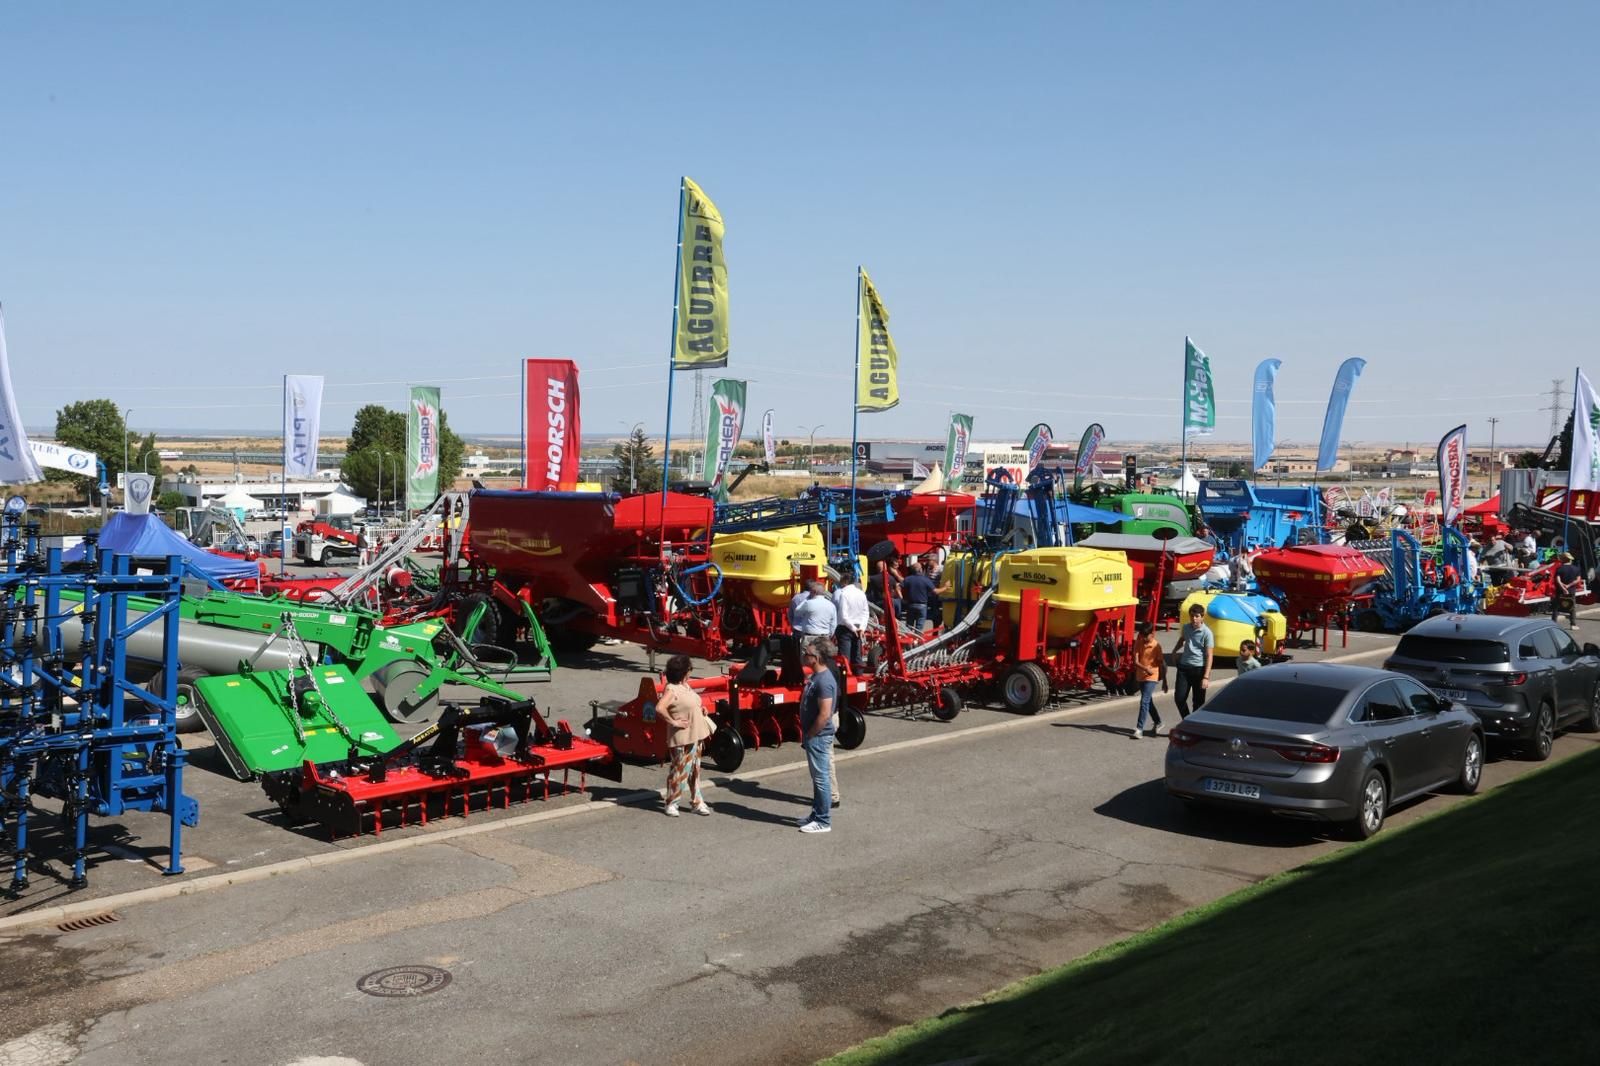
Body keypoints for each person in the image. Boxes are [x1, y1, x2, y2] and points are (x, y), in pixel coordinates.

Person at [656, 654, 715, 817]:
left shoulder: (686, 686)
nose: (690, 672)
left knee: (695, 770)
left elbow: (690, 703)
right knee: (679, 771)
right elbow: (660, 708)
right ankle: (672, 803)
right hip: (682, 737)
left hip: (695, 735)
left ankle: (697, 802)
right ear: (683, 672)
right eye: (689, 669)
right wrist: (674, 722)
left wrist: (700, 709)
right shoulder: (672, 689)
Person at [796, 637, 838, 834]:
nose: (805, 655)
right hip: (813, 736)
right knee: (817, 778)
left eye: (808, 653)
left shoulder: (825, 681)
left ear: (818, 657)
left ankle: (823, 820)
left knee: (821, 778)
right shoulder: (815, 677)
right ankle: (816, 814)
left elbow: (824, 714)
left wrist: (811, 734)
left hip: (819, 737)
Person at [1171, 603, 1214, 718]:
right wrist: (1174, 650)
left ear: (1202, 617)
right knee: (1179, 699)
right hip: (1184, 668)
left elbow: (1209, 655)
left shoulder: (1207, 633)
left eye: (1197, 616)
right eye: (1192, 616)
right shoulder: (1186, 627)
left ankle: (1194, 726)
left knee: (1198, 703)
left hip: (1199, 669)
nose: (1194, 619)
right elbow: (1183, 638)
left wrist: (1206, 677)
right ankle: (1187, 720)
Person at [1131, 621, 1167, 739]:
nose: (1144, 638)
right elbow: (1135, 661)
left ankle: (1139, 729)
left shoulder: (1157, 646)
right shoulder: (1138, 643)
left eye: (1146, 636)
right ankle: (1158, 721)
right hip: (1141, 675)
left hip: (1152, 676)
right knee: (1148, 702)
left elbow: (1162, 664)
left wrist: (1165, 681)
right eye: (1142, 636)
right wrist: (1145, 668)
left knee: (1144, 701)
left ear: (1152, 634)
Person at [832, 568, 870, 673]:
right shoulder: (861, 593)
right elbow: (866, 612)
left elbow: (843, 615)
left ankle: (845, 680)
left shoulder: (844, 594)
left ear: (844, 582)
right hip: (858, 627)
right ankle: (859, 677)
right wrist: (861, 628)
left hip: (846, 628)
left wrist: (853, 629)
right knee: (857, 655)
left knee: (844, 657)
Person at [902, 561, 937, 632]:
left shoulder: (908, 579)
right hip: (922, 605)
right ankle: (917, 641)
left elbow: (898, 587)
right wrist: (945, 588)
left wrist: (901, 598)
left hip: (911, 605)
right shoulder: (925, 580)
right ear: (921, 570)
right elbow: (935, 591)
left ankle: (909, 641)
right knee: (919, 627)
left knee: (909, 626)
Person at [1553, 552, 1582, 627]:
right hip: (1571, 590)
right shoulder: (1576, 569)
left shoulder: (1559, 569)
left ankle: (1553, 623)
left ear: (1563, 560)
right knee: (1572, 606)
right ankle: (1573, 624)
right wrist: (1568, 585)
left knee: (1556, 607)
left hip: (1560, 591)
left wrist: (1563, 588)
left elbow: (1558, 580)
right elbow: (1578, 580)